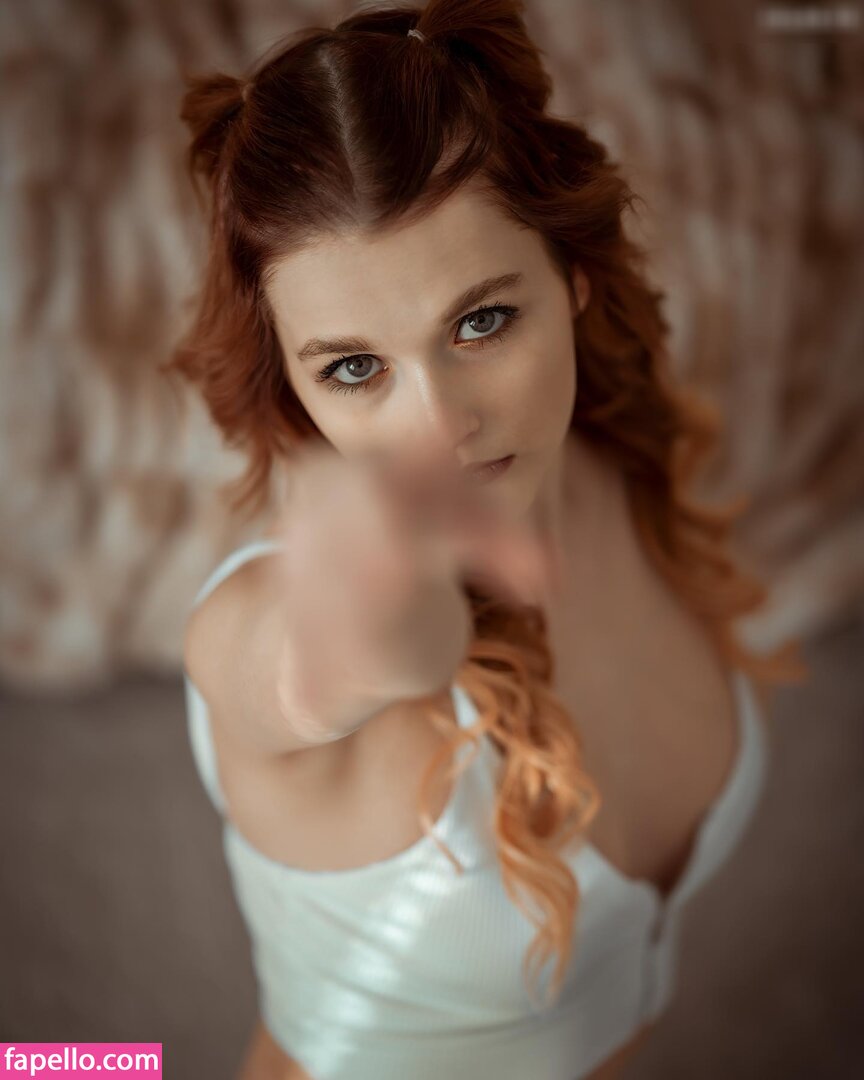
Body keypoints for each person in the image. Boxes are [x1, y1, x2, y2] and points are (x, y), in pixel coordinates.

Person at [164, 1, 805, 1077]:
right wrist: (387, 608)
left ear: (573, 276)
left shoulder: (611, 467)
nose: (438, 428)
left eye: (481, 321)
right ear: (296, 389)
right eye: (355, 368)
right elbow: (330, 660)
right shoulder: (249, 631)